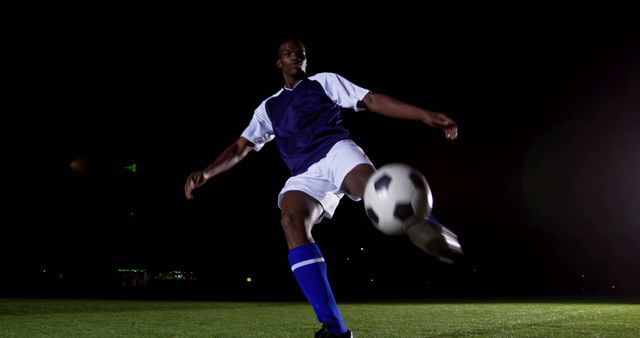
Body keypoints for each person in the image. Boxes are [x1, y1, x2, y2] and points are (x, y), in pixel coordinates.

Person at [184, 38, 460, 338]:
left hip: (336, 151)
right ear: (279, 62)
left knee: (373, 189)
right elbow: (241, 146)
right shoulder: (269, 107)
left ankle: (424, 225)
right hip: (304, 172)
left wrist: (423, 114)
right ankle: (334, 328)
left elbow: (371, 100)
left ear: (306, 60)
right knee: (291, 220)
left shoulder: (323, 82)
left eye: (301, 54)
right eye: (289, 54)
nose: (296, 58)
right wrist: (207, 172)